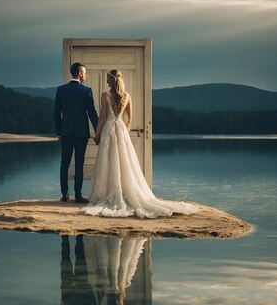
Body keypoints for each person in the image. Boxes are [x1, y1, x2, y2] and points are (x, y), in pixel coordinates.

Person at [82, 69, 199, 218]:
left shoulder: (105, 96)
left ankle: (108, 193)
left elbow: (102, 118)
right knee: (124, 163)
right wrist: (124, 132)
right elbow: (129, 119)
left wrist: (97, 134)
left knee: (109, 161)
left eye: (107, 79)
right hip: (121, 129)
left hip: (109, 130)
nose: (106, 81)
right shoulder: (127, 96)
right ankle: (123, 192)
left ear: (112, 81)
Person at [54, 62, 98, 203]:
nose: (85, 75)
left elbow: (56, 113)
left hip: (65, 132)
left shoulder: (61, 90)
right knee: (79, 164)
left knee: (64, 164)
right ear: (79, 73)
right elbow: (92, 112)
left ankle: (65, 195)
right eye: (84, 72)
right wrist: (98, 130)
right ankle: (78, 196)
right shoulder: (86, 91)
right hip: (81, 133)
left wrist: (58, 132)